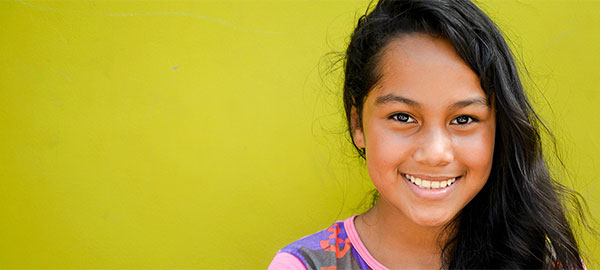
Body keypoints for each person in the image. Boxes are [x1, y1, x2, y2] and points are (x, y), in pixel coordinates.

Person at [269, 0, 588, 269]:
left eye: (464, 119)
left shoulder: (544, 261)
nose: (435, 153)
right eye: (403, 117)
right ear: (358, 124)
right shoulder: (305, 265)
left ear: (499, 127)